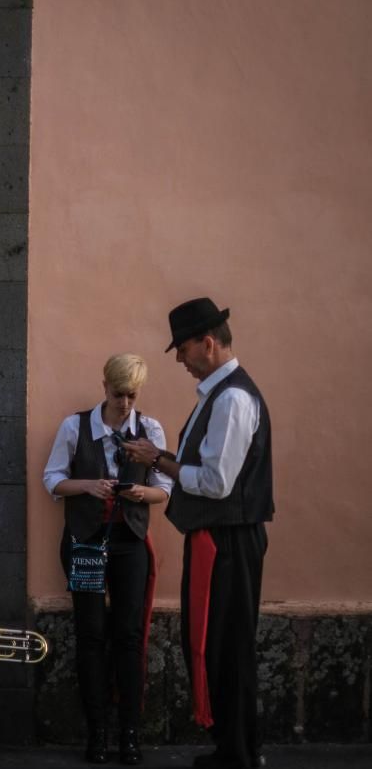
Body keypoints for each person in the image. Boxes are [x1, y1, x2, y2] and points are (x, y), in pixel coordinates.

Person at [123, 299, 272, 769]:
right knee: (220, 646)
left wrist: (156, 459)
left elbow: (214, 482)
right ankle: (235, 748)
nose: (179, 359)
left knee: (223, 647)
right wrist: (162, 457)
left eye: (182, 348)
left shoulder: (231, 398)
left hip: (226, 540)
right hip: (222, 538)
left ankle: (238, 755)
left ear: (208, 343)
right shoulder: (221, 395)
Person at [43, 353, 171, 765]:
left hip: (130, 539)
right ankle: (97, 732)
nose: (126, 403)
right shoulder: (75, 426)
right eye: (119, 394)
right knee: (91, 635)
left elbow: (165, 489)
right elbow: (52, 480)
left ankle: (129, 734)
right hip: (85, 540)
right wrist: (88, 486)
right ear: (105, 387)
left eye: (133, 395)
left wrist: (139, 493)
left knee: (129, 636)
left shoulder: (149, 430)